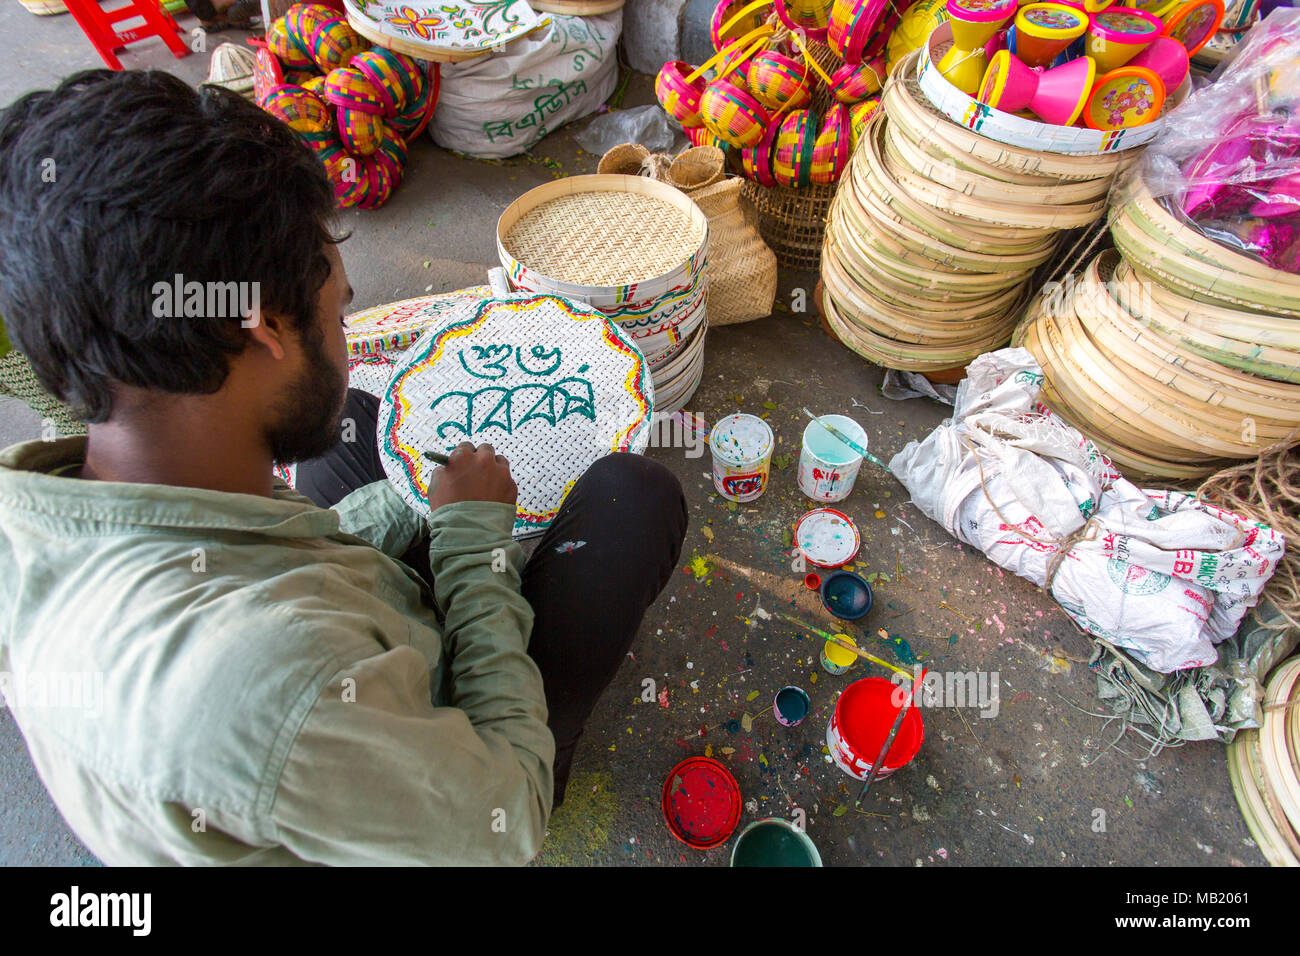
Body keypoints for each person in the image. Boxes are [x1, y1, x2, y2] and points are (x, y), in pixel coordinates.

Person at [0, 70, 686, 865]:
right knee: (632, 498)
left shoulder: (38, 514)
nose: (347, 331)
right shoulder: (277, 683)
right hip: (464, 796)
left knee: (355, 419)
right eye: (338, 312)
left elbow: (280, 562)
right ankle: (544, 738)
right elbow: (504, 814)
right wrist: (469, 546)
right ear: (259, 329)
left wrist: (408, 505)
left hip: (299, 721)